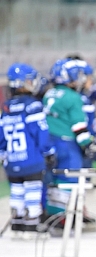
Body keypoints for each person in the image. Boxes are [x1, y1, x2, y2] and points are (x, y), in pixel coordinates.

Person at [0, 63, 55, 237]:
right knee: (33, 189)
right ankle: (32, 224)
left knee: (16, 190)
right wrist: (48, 152)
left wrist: (3, 154)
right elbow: (41, 132)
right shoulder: (33, 106)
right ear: (22, 83)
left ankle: (17, 223)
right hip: (31, 160)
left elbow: (1, 136)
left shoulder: (6, 108)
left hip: (12, 160)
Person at [42, 59, 96, 219]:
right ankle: (65, 218)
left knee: (52, 181)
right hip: (67, 145)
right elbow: (78, 126)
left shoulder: (48, 93)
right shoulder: (73, 97)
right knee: (70, 180)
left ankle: (50, 215)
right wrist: (88, 145)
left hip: (50, 143)